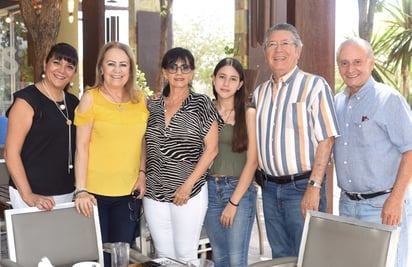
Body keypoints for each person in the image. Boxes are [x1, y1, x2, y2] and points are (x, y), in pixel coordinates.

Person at [252, 23, 340, 258]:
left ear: (298, 50)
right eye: (272, 44)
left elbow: (327, 139)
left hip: (302, 188)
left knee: (309, 256)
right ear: (266, 52)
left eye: (285, 43)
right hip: (269, 190)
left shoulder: (314, 86)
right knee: (280, 257)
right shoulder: (259, 93)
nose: (278, 49)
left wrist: (314, 187)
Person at [334, 37, 412, 267]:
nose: (350, 69)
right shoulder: (337, 102)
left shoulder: (389, 99)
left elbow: (410, 150)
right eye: (344, 63)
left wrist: (396, 200)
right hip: (347, 206)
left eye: (357, 61)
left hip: (382, 205)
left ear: (371, 63)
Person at [143, 47, 222, 263]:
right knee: (163, 256)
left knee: (186, 255)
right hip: (154, 192)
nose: (179, 72)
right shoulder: (152, 105)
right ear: (165, 72)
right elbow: (144, 141)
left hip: (189, 193)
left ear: (192, 72)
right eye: (173, 67)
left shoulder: (202, 103)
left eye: (185, 67)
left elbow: (212, 149)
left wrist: (187, 186)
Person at [73, 42, 148, 266]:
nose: (117, 70)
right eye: (111, 64)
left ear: (130, 69)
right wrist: (81, 190)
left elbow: (142, 140)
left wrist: (142, 174)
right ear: (101, 68)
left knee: (121, 259)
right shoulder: (91, 98)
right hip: (94, 196)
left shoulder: (140, 99)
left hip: (128, 195)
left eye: (123, 64)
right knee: (99, 258)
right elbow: (81, 147)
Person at [4, 43, 79, 210]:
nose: (62, 70)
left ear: (73, 73)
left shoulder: (74, 103)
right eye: (57, 62)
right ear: (46, 64)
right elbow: (11, 153)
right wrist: (28, 195)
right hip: (32, 194)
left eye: (69, 66)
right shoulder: (27, 101)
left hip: (67, 192)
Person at [204, 58, 258, 267]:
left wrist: (233, 202)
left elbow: (252, 162)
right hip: (209, 189)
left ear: (240, 84)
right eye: (222, 77)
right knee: (220, 257)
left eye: (233, 79)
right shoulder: (205, 110)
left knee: (236, 260)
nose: (226, 84)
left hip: (238, 191)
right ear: (214, 79)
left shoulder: (248, 112)